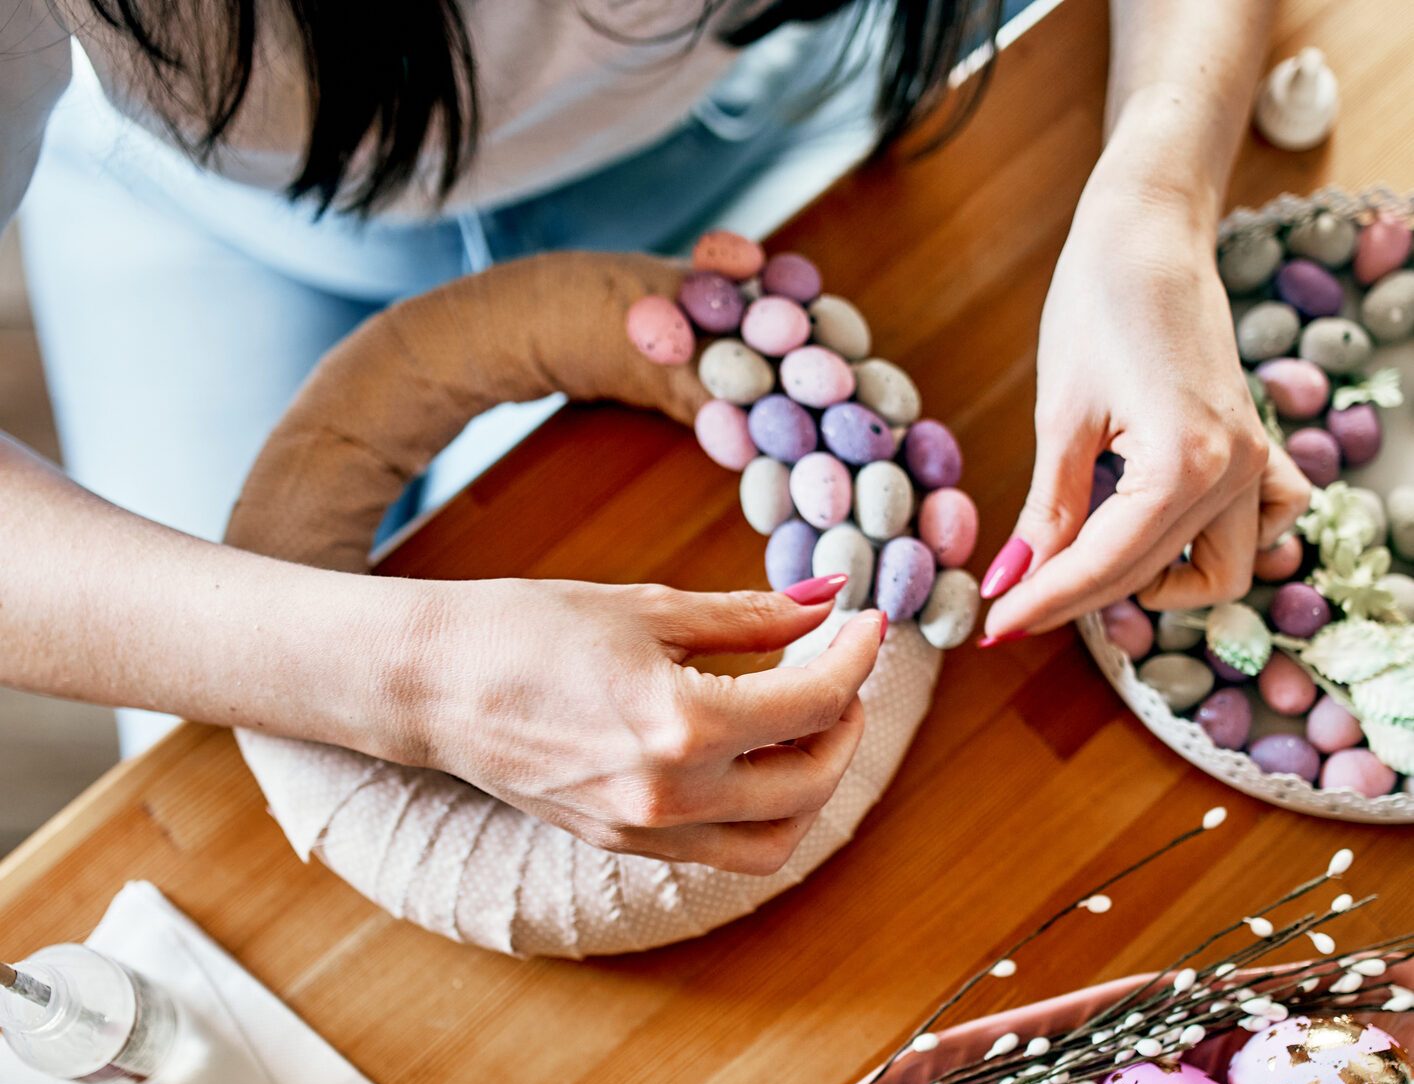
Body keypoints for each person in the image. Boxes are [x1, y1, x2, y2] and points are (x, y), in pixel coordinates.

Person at [0, 0, 1307, 875]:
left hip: (749, 111)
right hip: (225, 227)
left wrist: (1154, 192)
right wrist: (417, 677)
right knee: (206, 832)